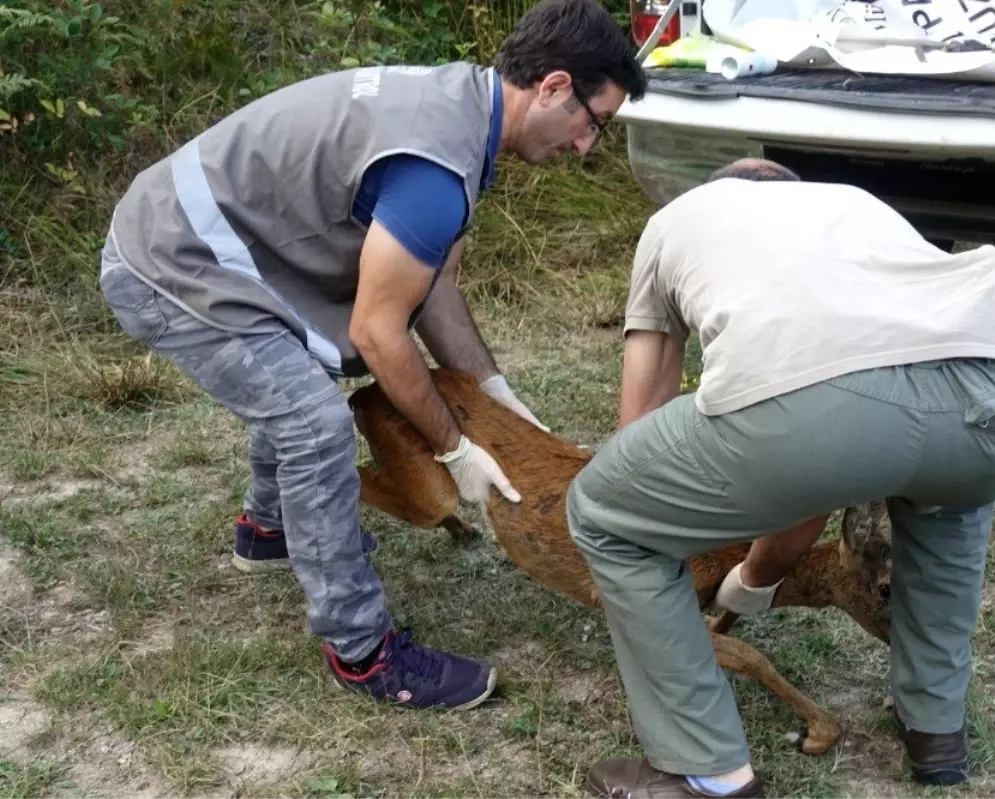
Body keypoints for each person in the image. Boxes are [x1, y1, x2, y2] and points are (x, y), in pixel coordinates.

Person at [97, 0, 647, 712]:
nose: (586, 148)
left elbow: (435, 285)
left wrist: (496, 392)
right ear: (552, 87)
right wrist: (454, 450)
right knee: (314, 423)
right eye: (592, 122)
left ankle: (269, 531)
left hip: (216, 243)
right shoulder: (435, 167)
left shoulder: (460, 109)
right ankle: (362, 651)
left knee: (302, 370)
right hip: (168, 262)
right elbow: (384, 334)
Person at [566, 157, 995, 796]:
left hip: (826, 409)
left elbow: (641, 423)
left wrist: (726, 569)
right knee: (947, 522)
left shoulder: (676, 220)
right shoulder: (855, 204)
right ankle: (935, 730)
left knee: (608, 512)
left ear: (719, 193)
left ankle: (706, 770)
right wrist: (758, 575)